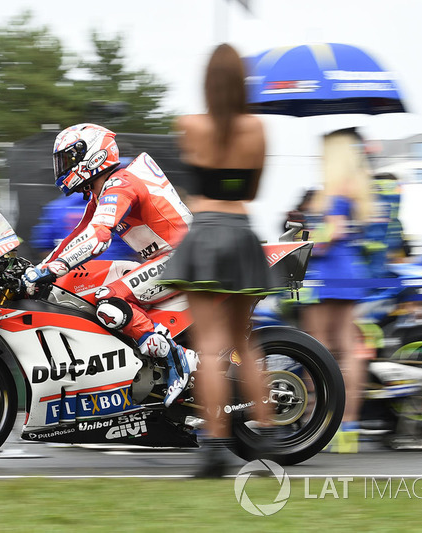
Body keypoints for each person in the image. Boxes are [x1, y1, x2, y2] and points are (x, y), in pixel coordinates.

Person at [158, 44, 280, 477]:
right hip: (242, 231)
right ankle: (266, 437)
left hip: (205, 234)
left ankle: (214, 447)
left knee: (209, 350)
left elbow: (193, 181)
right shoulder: (258, 130)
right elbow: (249, 191)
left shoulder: (187, 125)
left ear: (207, 83)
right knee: (244, 344)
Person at [22, 123, 197, 407]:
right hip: (169, 258)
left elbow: (99, 237)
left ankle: (176, 357)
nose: (63, 167)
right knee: (89, 289)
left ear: (92, 155)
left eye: (68, 159)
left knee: (109, 300)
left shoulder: (120, 183)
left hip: (181, 258)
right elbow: (77, 235)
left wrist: (53, 269)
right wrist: (39, 268)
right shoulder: (104, 189)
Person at [301, 127, 373, 453]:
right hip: (350, 273)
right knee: (347, 348)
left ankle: (312, 422)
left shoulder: (333, 192)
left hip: (326, 274)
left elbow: (330, 237)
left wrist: (305, 237)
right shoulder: (358, 189)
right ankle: (349, 429)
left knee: (312, 349)